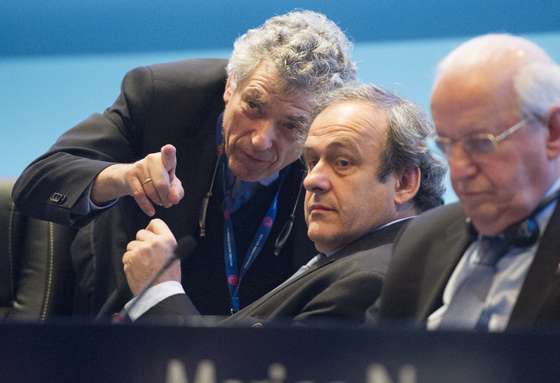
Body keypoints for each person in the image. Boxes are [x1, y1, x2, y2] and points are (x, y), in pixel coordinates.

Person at [11, 11, 357, 316]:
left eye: (292, 125)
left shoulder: (336, 150)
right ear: (230, 86)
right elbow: (37, 182)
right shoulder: (163, 97)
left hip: (254, 353)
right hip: (125, 332)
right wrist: (122, 177)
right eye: (254, 106)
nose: (260, 140)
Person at [120, 84, 446, 325]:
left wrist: (160, 294)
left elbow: (248, 373)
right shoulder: (356, 260)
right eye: (312, 161)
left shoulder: (373, 279)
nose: (311, 180)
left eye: (343, 162)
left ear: (403, 183)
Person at [377, 34, 560, 331]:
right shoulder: (421, 238)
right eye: (447, 146)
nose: (458, 172)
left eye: (481, 144)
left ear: (553, 132)